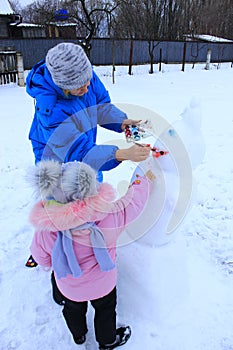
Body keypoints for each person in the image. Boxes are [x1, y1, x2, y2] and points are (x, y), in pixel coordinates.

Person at [25, 42, 150, 268]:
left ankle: (87, 240)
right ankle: (43, 250)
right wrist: (121, 154)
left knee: (91, 190)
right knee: (59, 203)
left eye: (88, 80)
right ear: (62, 86)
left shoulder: (85, 77)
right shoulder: (52, 112)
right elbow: (81, 156)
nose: (87, 87)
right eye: (80, 87)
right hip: (56, 158)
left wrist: (121, 122)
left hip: (83, 146)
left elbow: (101, 106)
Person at [28, 159, 155, 349]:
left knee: (72, 310)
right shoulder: (108, 216)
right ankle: (107, 341)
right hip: (103, 284)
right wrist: (142, 182)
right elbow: (133, 203)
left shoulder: (47, 229)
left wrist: (53, 265)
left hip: (69, 286)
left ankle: (78, 335)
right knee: (105, 311)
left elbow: (40, 257)